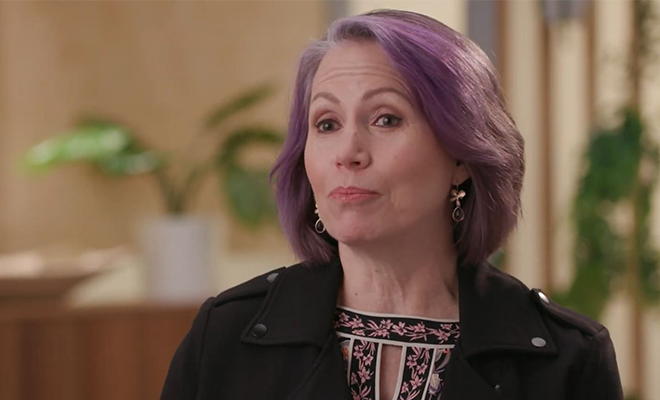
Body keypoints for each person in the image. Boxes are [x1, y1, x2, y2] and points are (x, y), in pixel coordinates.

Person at [160, 9, 623, 400]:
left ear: (462, 153)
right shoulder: (223, 336)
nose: (348, 152)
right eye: (326, 124)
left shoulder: (567, 360)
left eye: (385, 118)